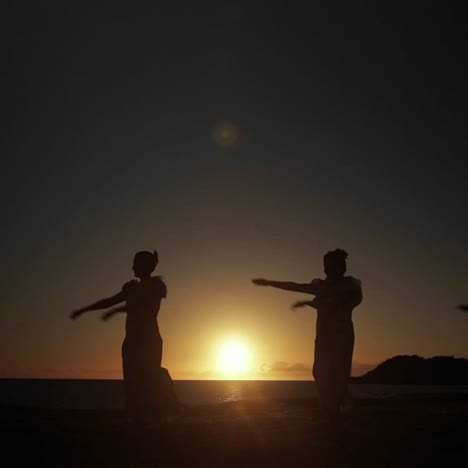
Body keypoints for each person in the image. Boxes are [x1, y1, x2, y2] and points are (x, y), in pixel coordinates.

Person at [252, 249, 362, 429]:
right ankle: (335, 411)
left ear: (342, 267)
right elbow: (295, 285)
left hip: (342, 337)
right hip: (323, 337)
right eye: (327, 266)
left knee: (338, 374)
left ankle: (337, 414)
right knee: (319, 372)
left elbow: (347, 300)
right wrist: (270, 283)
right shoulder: (321, 287)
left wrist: (318, 300)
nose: (329, 270)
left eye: (335, 265)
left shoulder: (349, 286)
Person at [70, 250, 178, 424]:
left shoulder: (155, 286)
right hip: (132, 340)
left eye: (136, 263)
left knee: (151, 375)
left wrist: (116, 311)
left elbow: (141, 305)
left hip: (149, 340)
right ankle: (137, 417)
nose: (132, 267)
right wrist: (84, 310)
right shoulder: (132, 287)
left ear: (146, 266)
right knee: (132, 379)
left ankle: (166, 406)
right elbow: (111, 300)